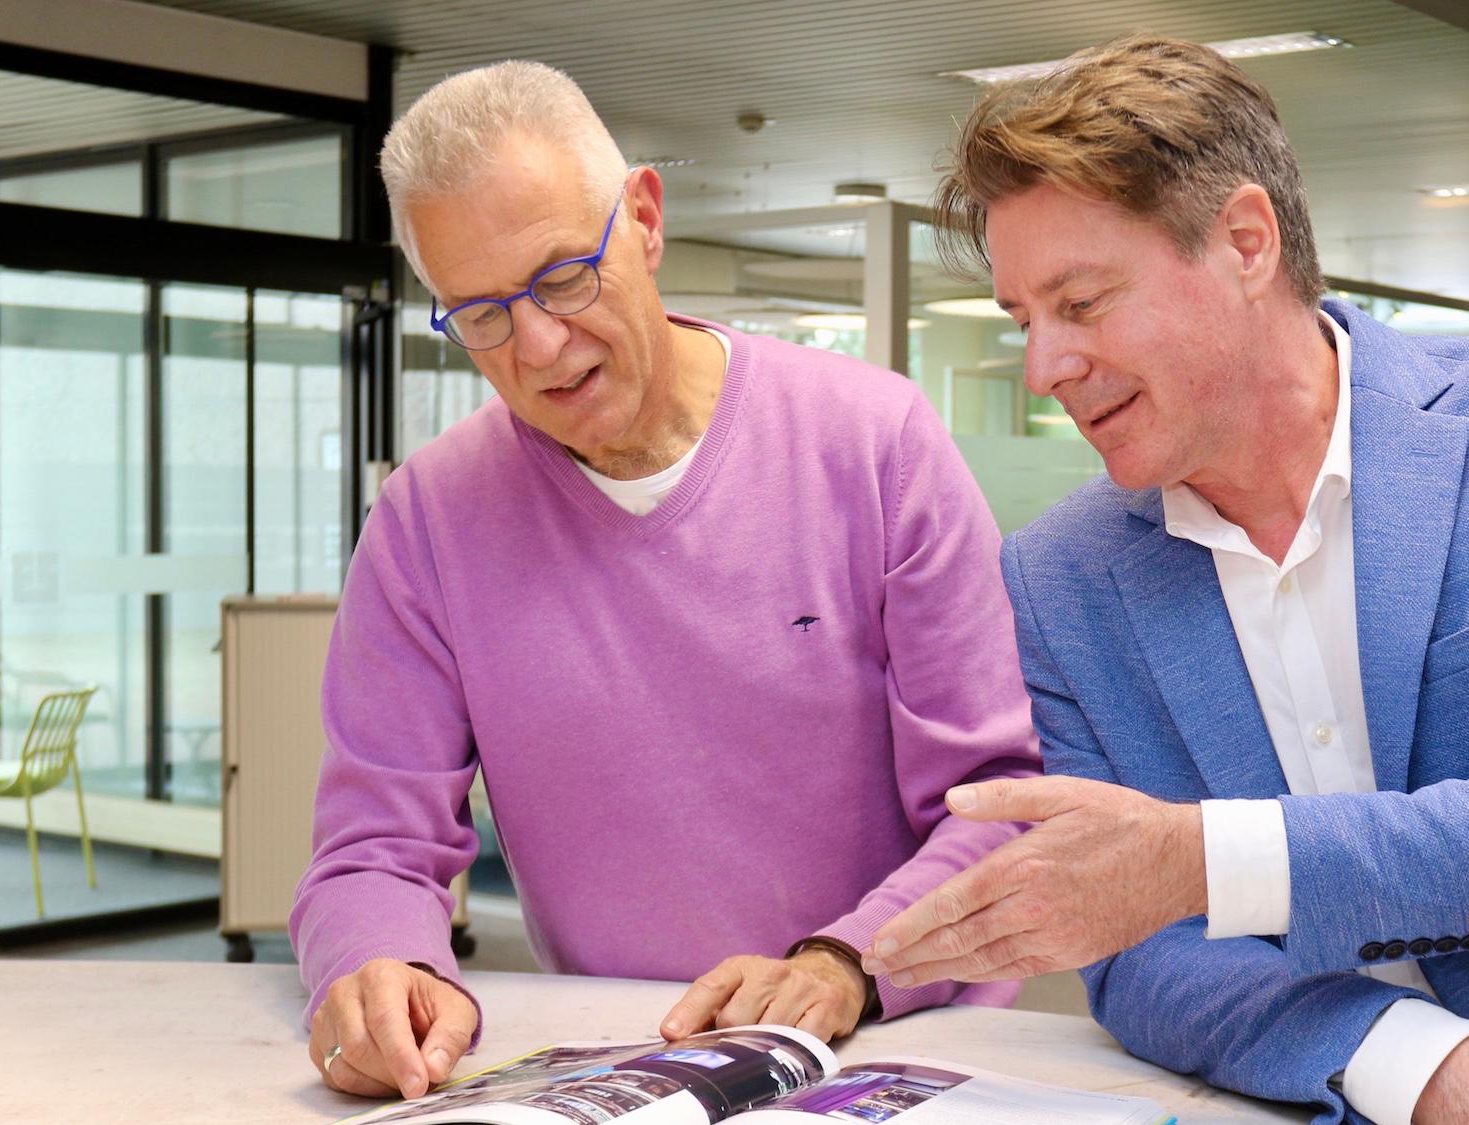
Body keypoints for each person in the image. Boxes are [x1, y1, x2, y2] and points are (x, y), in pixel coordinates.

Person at [861, 34, 1469, 1125]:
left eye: (1079, 303)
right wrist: (1420, 1062)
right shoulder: (1061, 575)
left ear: (1242, 241)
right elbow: (1139, 960)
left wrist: (1202, 860)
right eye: (1021, 322)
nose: (1043, 368)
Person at [292, 60, 1038, 1103]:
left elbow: (999, 806)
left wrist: (843, 962)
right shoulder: (427, 519)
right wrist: (384, 970)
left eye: (561, 277)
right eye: (483, 315)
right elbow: (371, 848)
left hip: (887, 1044)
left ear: (642, 217)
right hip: (621, 1067)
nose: (540, 345)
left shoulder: (875, 443)